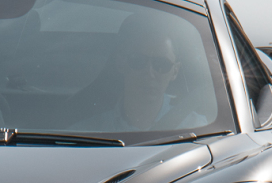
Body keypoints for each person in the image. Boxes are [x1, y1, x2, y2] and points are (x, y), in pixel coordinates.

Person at [75, 13, 207, 132]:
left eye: (161, 64)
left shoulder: (199, 131)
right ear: (121, 63)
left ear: (175, 71)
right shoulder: (84, 133)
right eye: (138, 61)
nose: (149, 73)